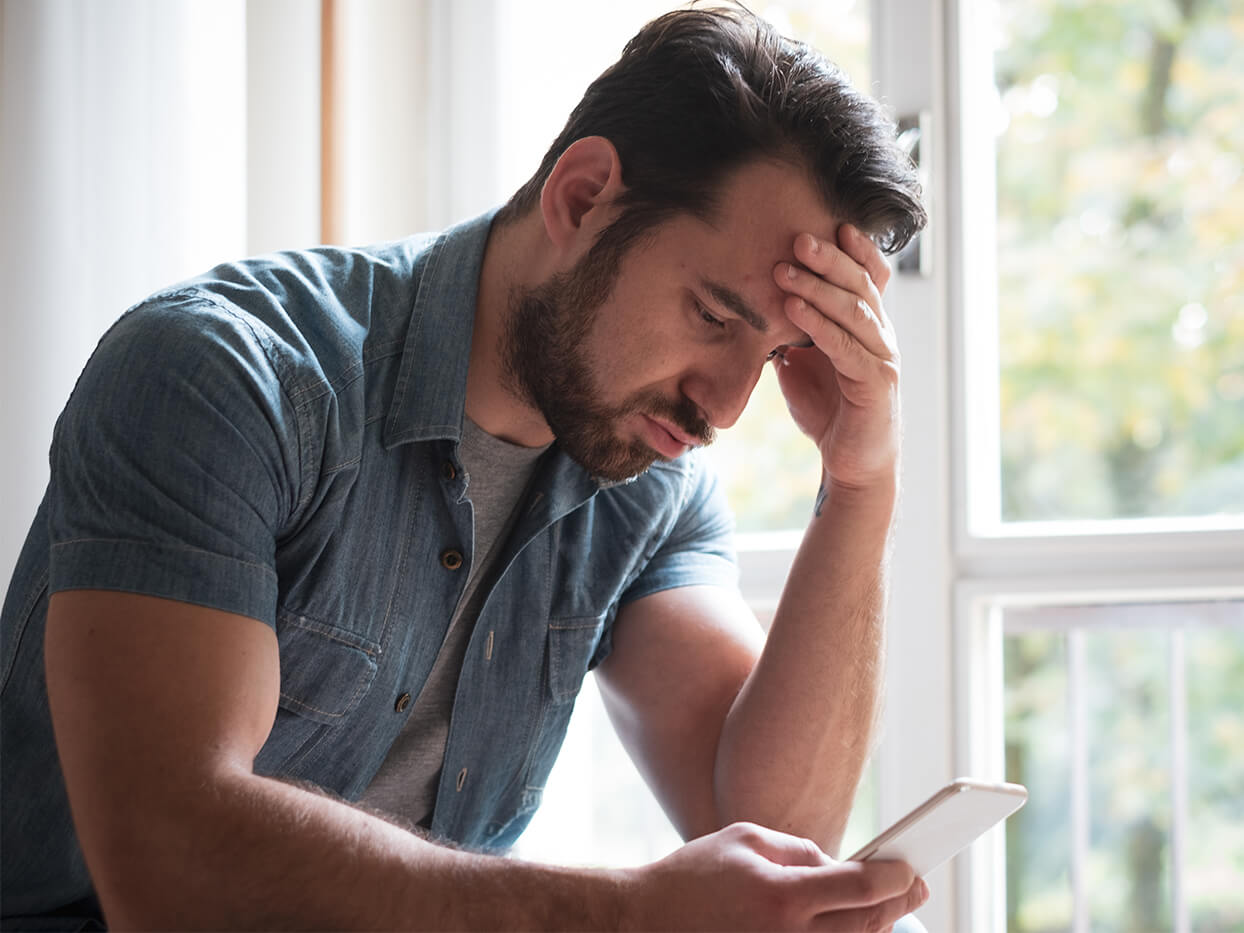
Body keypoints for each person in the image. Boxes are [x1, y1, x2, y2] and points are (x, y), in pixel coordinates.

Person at [0, 5, 929, 930]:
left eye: (770, 358)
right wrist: (627, 916)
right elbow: (171, 871)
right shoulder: (224, 378)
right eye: (714, 318)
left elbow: (771, 834)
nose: (723, 409)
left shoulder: (645, 480)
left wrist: (859, 487)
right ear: (581, 196)